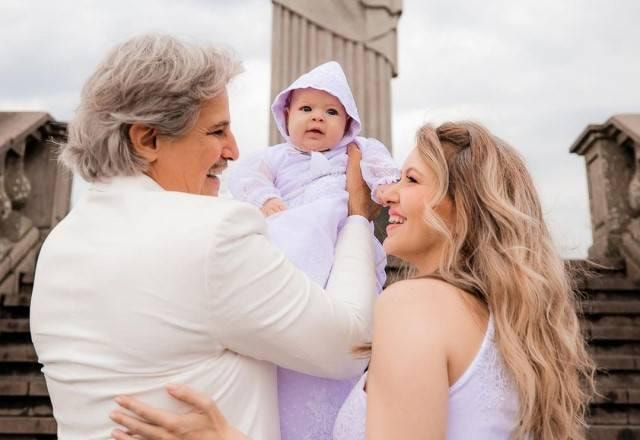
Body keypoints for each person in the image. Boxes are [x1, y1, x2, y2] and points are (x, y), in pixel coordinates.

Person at [110, 122, 596, 440]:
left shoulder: (416, 305)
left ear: (460, 203)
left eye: (409, 180)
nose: (385, 193)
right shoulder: (505, 320)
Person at [29, 33, 380, 440]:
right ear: (147, 140)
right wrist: (357, 217)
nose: (233, 151)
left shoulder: (60, 243)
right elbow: (351, 344)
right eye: (217, 132)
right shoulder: (215, 235)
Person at [227, 60, 399, 440]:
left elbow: (383, 167)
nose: (317, 118)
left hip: (342, 241)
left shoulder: (357, 150)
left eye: (331, 111)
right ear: (286, 116)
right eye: (306, 109)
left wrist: (386, 186)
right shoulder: (275, 156)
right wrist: (267, 198)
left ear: (348, 122)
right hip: (293, 238)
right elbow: (243, 176)